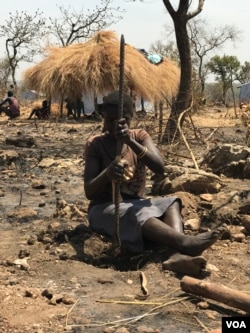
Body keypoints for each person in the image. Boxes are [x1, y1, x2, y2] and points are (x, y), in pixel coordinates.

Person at [83, 91, 225, 275]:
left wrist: (130, 141)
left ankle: (176, 255)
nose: (110, 126)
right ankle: (185, 243)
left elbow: (159, 167)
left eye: (116, 121)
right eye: (108, 120)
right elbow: (89, 191)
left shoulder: (140, 136)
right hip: (105, 208)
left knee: (171, 202)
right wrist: (107, 174)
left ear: (128, 119)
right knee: (135, 214)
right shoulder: (95, 143)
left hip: (136, 203)